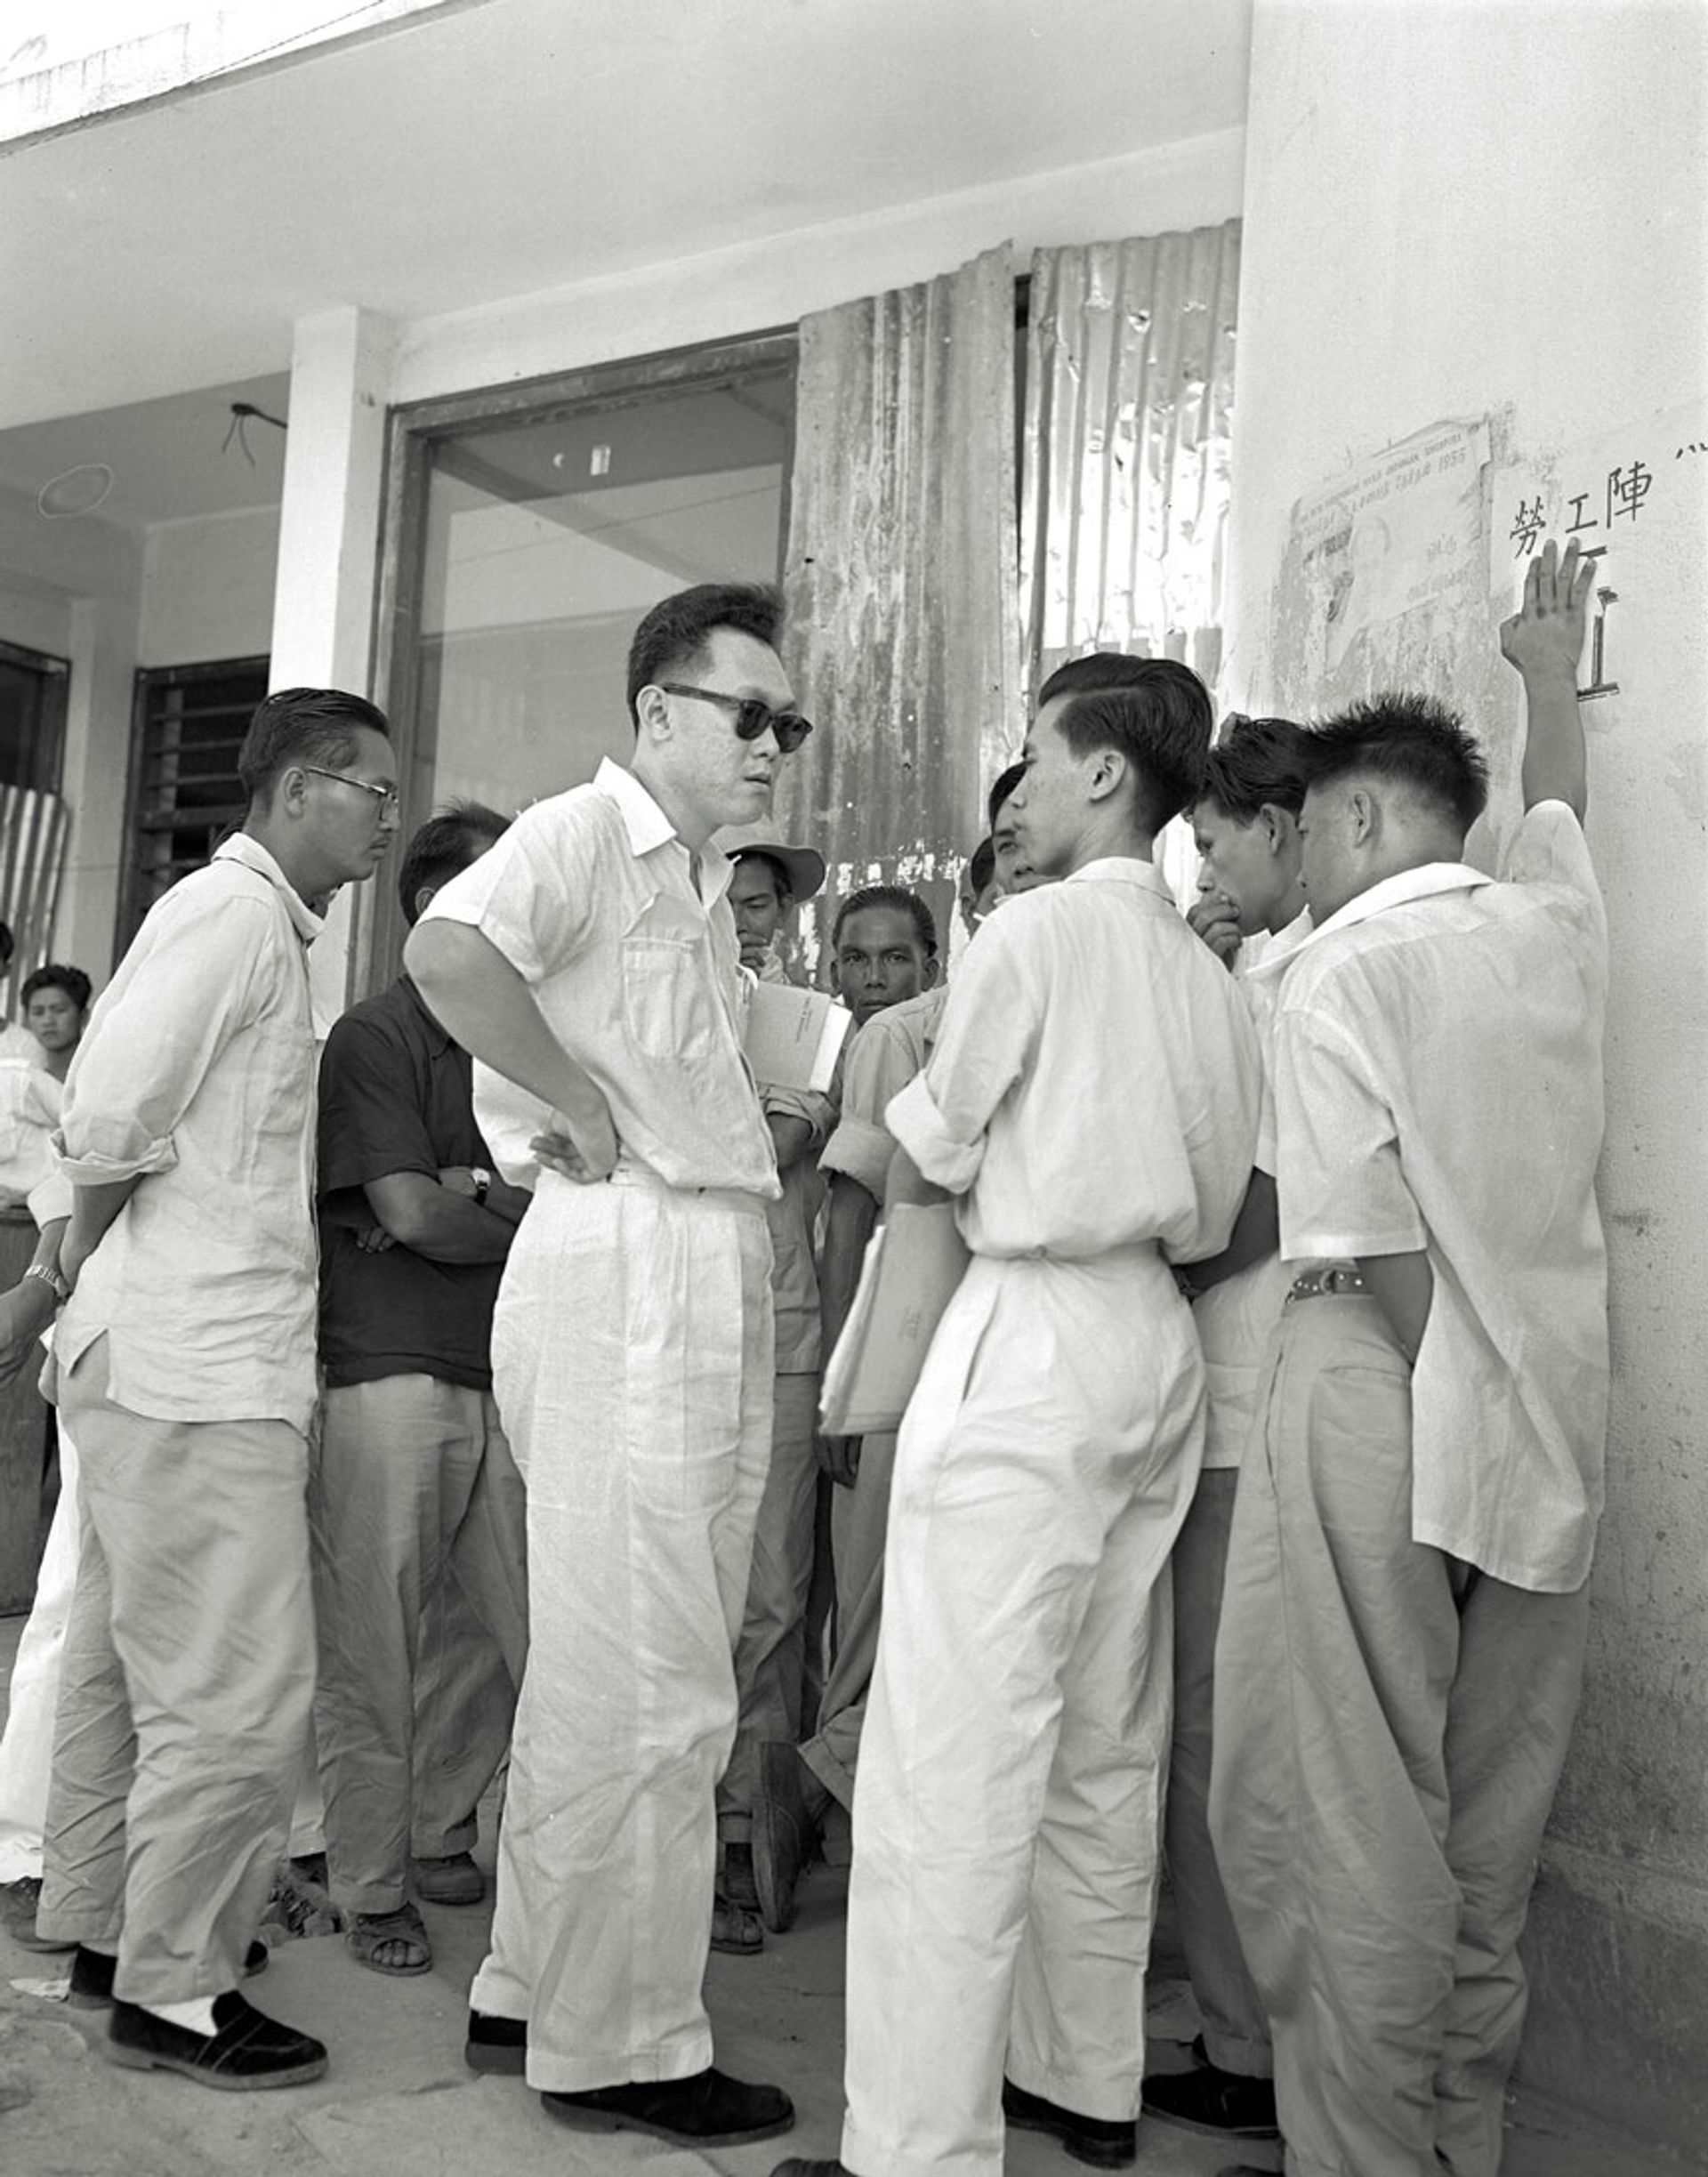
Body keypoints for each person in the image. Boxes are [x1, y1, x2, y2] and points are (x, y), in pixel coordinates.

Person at [777, 662, 1261, 2177]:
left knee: (952, 1758)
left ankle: (914, 2145)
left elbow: (926, 1144)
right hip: (1151, 1339)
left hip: (1036, 1333)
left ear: (1107, 773)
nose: (1024, 787)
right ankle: (1081, 2076)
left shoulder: (1039, 931)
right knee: (1103, 1737)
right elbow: (1235, 1191)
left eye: (1040, 757)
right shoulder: (1207, 968)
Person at [1209, 540, 1608, 2177]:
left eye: (1306, 828)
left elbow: (1367, 1250)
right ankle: (1460, 2141)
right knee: (1493, 1811)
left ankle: (1361, 2157)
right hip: (1554, 1410)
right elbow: (1558, 813)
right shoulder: (1548, 934)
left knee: (1357, 1810)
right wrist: (1545, 673)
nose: (1292, 860)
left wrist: (1441, 1413)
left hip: (1389, 1383)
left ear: (1362, 822)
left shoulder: (1336, 975)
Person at [406, 581, 808, 2149]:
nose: (775, 745)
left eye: (790, 722)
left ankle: (530, 1985)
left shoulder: (698, 882)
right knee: (653, 1673)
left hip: (676, 1255)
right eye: (748, 714)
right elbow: (449, 954)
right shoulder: (589, 829)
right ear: (658, 713)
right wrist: (569, 1095)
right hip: (632, 1260)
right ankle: (626, 2043)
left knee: (604, 1654)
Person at [31, 687, 399, 2089]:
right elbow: (112, 1106)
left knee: (128, 1673)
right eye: (369, 787)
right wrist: (62, 1269)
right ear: (300, 785)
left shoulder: (247, 923)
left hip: (163, 1357)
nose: (384, 814)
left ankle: (101, 1937)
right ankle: (175, 1987)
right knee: (240, 1693)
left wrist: (65, 1286)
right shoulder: (234, 914)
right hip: (192, 1363)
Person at [310, 802, 532, 1978]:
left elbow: (472, 1211)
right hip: (389, 1367)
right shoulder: (377, 1034)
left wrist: (482, 1201)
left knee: (506, 1636)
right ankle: (368, 1876)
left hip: (513, 1369)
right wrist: (502, 1208)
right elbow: (407, 1212)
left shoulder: (526, 1041)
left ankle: (442, 1825)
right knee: (375, 1637)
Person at [1139, 715, 1317, 2149]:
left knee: (1221, 1741)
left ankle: (1249, 2047)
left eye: (1210, 836)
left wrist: (1134, 1274)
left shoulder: (1288, 978)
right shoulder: (1256, 967)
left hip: (1247, 1409)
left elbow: (1257, 1200)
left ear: (1280, 825)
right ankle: (1251, 2037)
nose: (1199, 862)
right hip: (1242, 1406)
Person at [753, 884, 941, 1929]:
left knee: (868, 1606)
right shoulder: (841, 1049)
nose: (875, 979)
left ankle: (818, 1789)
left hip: (888, 1362)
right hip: (844, 1362)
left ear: (930, 959)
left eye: (895, 960)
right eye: (858, 960)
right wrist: (838, 1380)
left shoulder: (933, 1036)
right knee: (821, 1603)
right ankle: (807, 1792)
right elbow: (846, 1225)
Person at [712, 835, 833, 1952]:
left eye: (766, 902)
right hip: (681, 1329)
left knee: (772, 1600)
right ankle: (674, 1833)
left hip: (785, 1334)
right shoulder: (666, 992)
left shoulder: (805, 1015)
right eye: (734, 895)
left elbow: (778, 1138)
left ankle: (743, 1842)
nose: (751, 915)